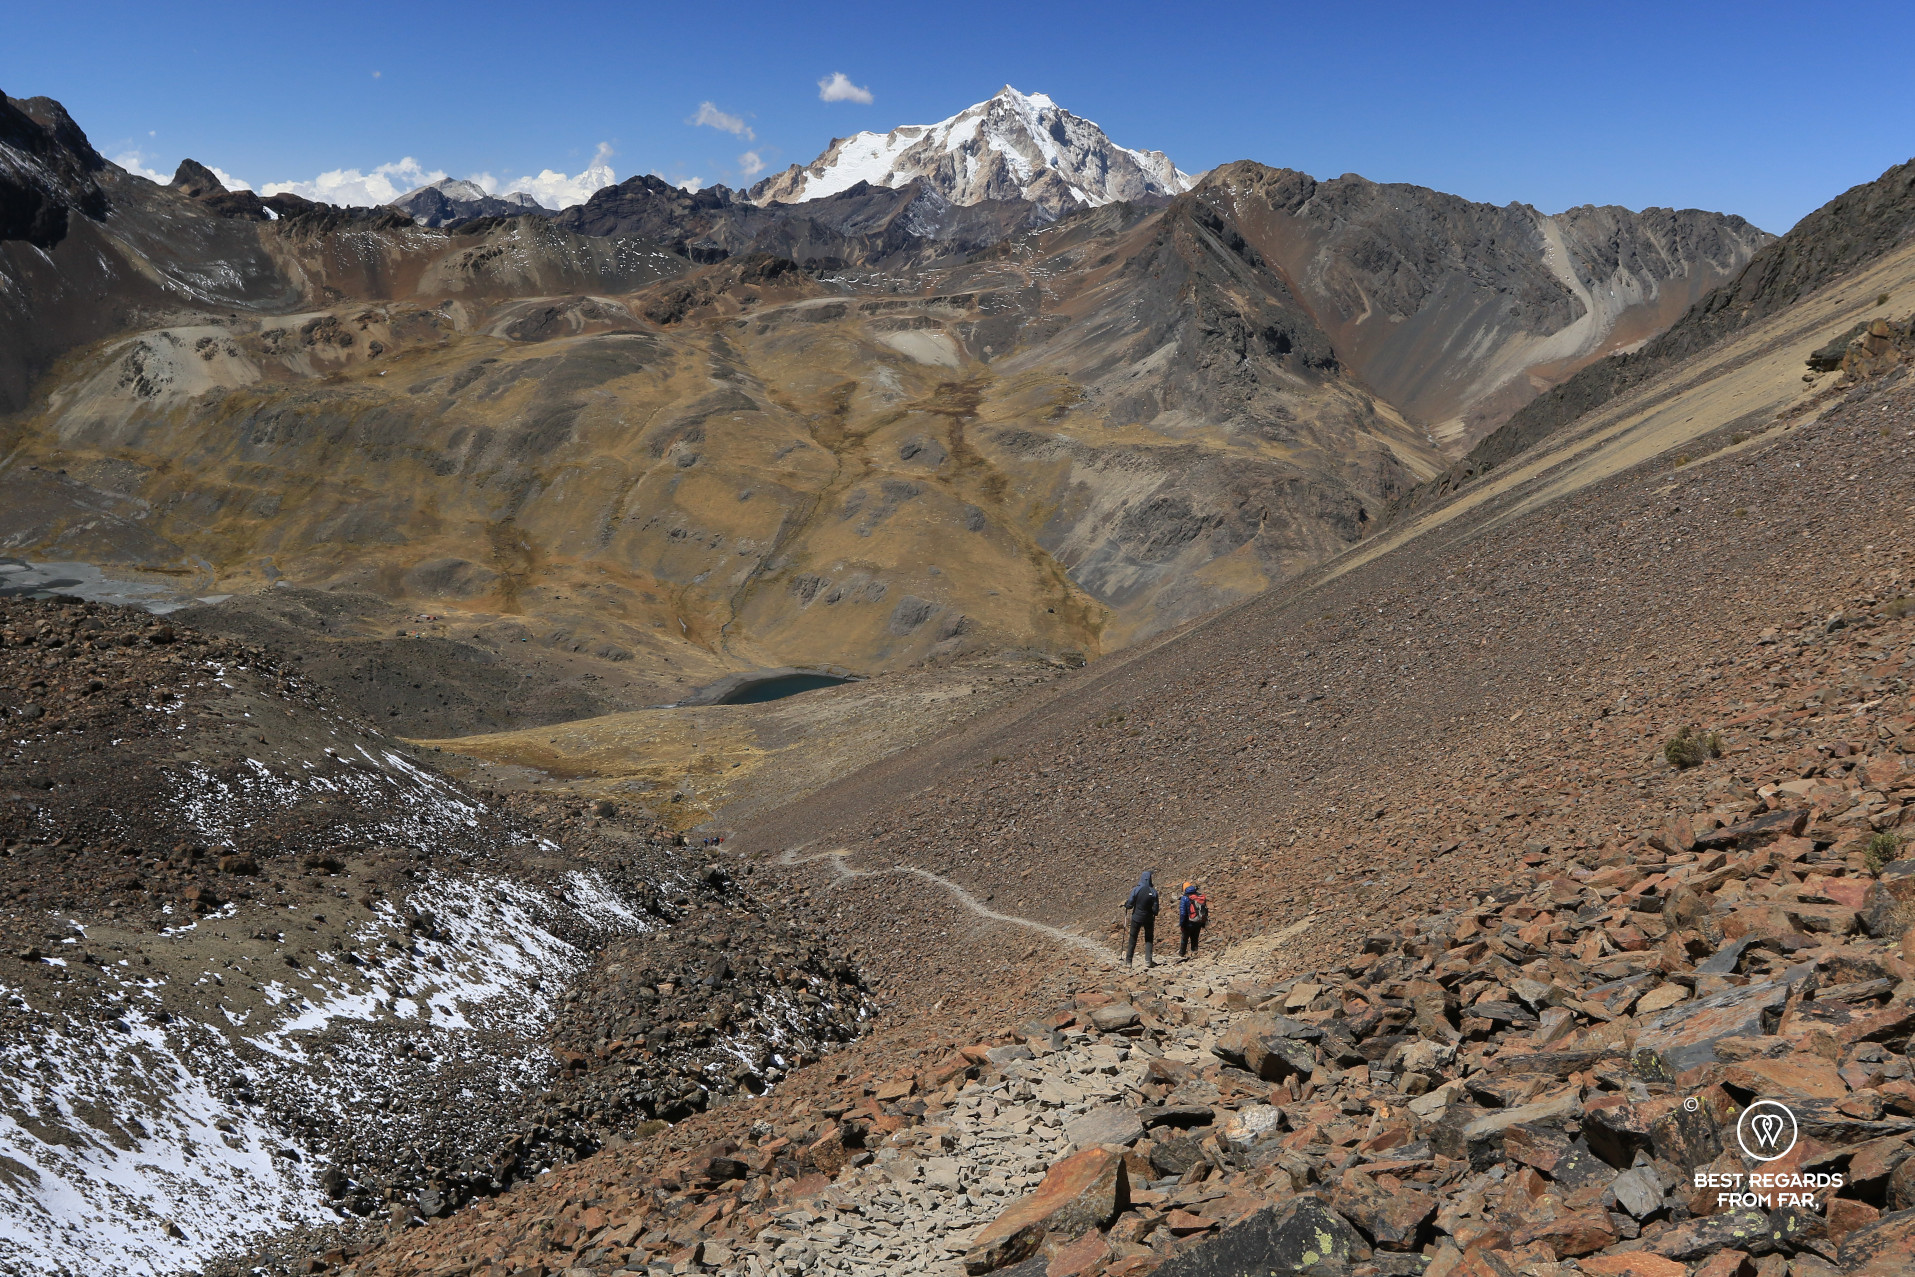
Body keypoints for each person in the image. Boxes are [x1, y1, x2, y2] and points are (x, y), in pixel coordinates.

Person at [1124, 870, 1159, 968]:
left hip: (1136, 917)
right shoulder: (1153, 891)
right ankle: (1148, 961)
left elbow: (1130, 904)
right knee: (1148, 938)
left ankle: (1128, 961)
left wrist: (1126, 905)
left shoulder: (1136, 889)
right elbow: (1156, 909)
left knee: (1133, 938)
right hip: (1148, 918)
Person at [1178, 881, 1208, 958]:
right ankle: (1194, 954)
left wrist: (1182, 924)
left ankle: (1182, 954)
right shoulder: (1198, 896)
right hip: (1198, 921)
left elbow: (1183, 913)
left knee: (1184, 939)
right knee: (1195, 938)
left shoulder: (1185, 898)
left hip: (1188, 922)